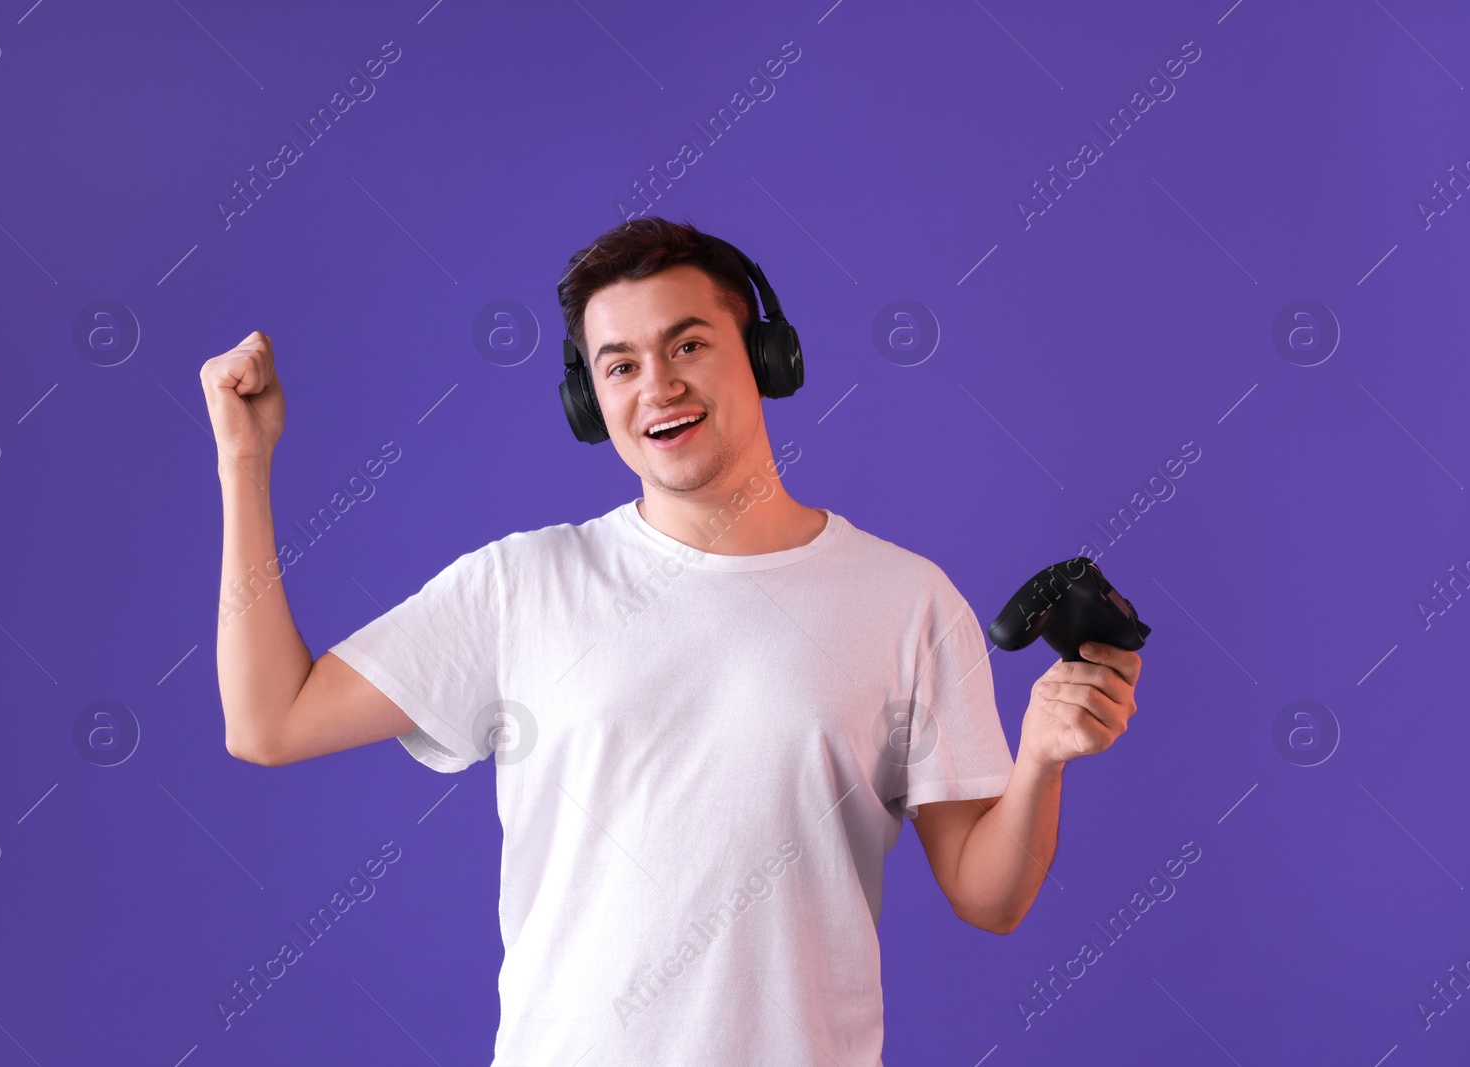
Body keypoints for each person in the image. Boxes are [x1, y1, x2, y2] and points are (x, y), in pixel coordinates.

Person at [200, 216, 1141, 1065]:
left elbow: (991, 895)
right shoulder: (523, 585)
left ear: (764, 356)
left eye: (688, 343)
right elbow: (268, 720)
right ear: (590, 399)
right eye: (619, 364)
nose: (659, 384)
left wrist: (1044, 761)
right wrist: (245, 461)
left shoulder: (905, 599)